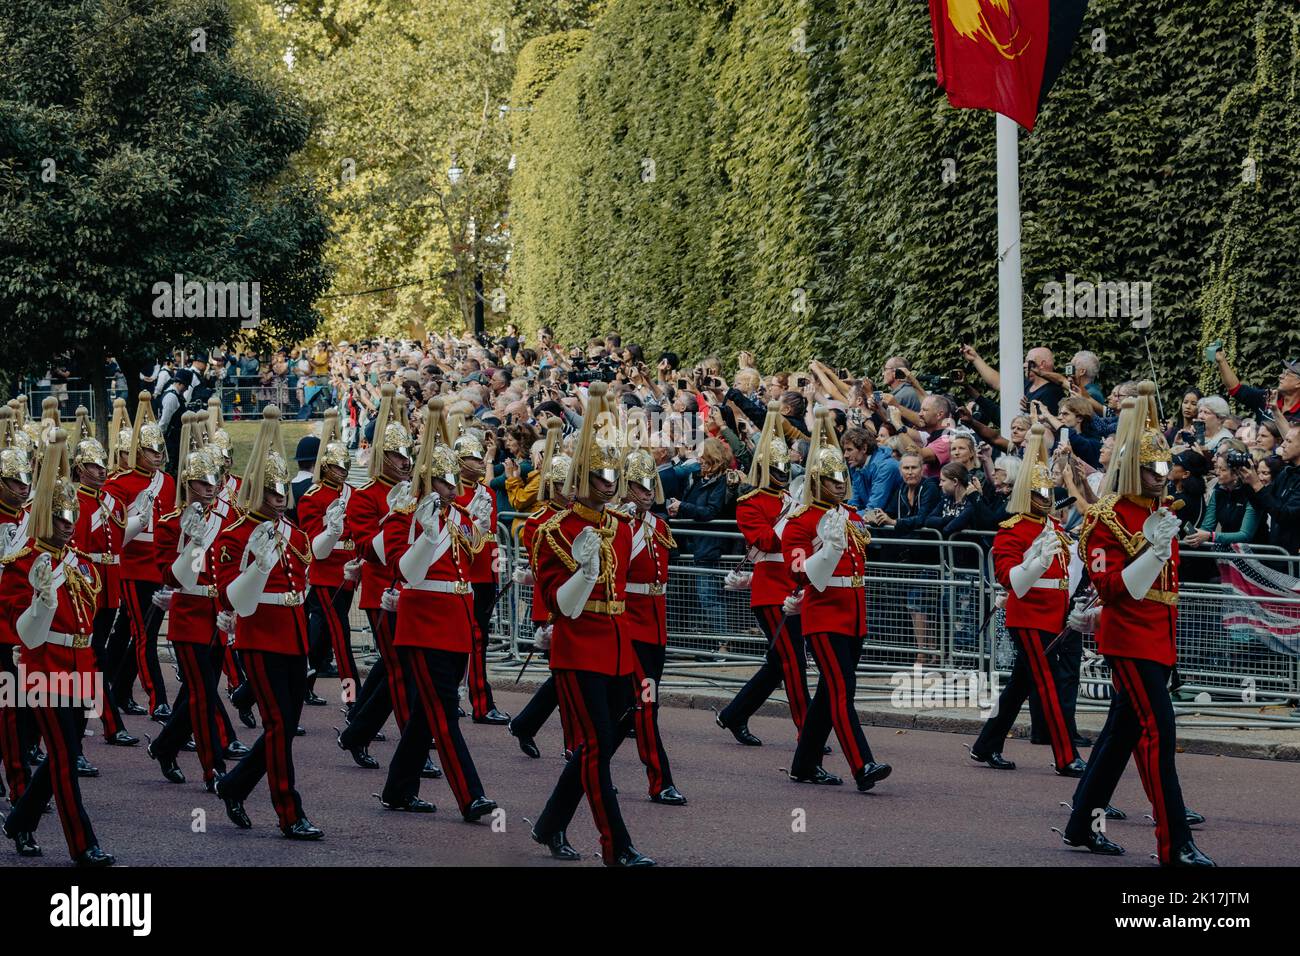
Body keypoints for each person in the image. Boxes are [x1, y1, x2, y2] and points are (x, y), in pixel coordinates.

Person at [1060, 383, 1213, 867]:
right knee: (1157, 735)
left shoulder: (1157, 512)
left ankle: (1083, 824)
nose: (1160, 477)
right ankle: (1174, 843)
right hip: (1130, 640)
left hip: (1157, 637)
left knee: (1121, 735)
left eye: (1164, 468)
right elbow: (1112, 588)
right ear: (1133, 468)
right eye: (1152, 469)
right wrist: (1153, 548)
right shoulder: (1107, 517)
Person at [530, 382, 654, 866]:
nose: (609, 483)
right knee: (595, 746)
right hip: (580, 648)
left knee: (597, 749)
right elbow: (561, 606)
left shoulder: (620, 527)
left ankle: (550, 824)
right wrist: (583, 571)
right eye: (600, 476)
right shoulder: (554, 530)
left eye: (612, 475)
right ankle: (615, 847)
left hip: (619, 647)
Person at [377, 400, 499, 821]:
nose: (452, 488)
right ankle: (471, 795)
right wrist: (427, 537)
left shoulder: (457, 512)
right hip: (423, 622)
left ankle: (397, 788)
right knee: (444, 714)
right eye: (445, 481)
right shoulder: (405, 514)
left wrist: (478, 525)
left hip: (455, 621)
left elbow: (475, 556)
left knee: (427, 716)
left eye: (453, 481)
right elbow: (402, 569)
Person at [0, 429, 115, 865]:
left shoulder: (81, 562)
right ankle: (82, 843)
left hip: (79, 663)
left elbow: (88, 619)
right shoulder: (23, 563)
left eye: (71, 520)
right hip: (43, 666)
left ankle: (20, 820)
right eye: (61, 520)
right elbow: (23, 630)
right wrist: (39, 599)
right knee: (64, 758)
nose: (68, 527)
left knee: (63, 755)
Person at [212, 406, 323, 840]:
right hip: (259, 637)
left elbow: (305, 579)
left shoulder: (293, 533)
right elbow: (231, 595)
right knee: (279, 726)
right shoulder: (234, 535)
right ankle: (289, 812)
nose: (280, 500)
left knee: (283, 729)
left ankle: (233, 785)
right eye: (272, 494)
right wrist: (257, 564)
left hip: (293, 636)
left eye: (283, 494)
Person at [782, 409, 891, 792]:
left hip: (853, 612)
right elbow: (797, 572)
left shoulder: (850, 514)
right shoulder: (801, 521)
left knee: (831, 692)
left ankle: (804, 764)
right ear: (816, 480)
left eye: (842, 476)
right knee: (842, 690)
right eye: (831, 478)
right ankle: (863, 764)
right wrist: (825, 548)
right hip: (824, 614)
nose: (839, 483)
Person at [970, 424, 1084, 776]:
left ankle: (986, 744)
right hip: (1030, 617)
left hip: (1054, 616)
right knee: (1047, 685)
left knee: (1021, 685)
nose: (1046, 498)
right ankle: (1065, 755)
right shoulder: (1012, 529)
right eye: (1039, 492)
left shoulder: (1055, 528)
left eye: (1048, 491)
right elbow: (1008, 577)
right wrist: (1034, 560)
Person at [147, 413, 241, 791]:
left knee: (199, 691)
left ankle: (165, 746)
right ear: (188, 482)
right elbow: (169, 575)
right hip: (188, 615)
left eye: (214, 480)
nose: (210, 487)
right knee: (202, 694)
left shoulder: (228, 517)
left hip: (217, 613)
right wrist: (187, 541)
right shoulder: (171, 522)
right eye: (202, 481)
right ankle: (213, 767)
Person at [716, 402, 811, 747]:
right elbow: (768, 540)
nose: (783, 471)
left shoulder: (790, 496)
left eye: (786, 465)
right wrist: (795, 516)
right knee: (793, 663)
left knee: (777, 663)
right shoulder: (750, 503)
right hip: (771, 590)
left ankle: (734, 714)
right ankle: (808, 729)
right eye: (777, 466)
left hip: (794, 586)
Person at [614, 446, 686, 805]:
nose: (647, 492)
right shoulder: (618, 524)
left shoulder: (657, 524)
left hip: (655, 625)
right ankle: (660, 780)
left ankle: (587, 765)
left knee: (626, 709)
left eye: (649, 486)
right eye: (639, 486)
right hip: (630, 625)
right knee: (646, 705)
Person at [66, 411, 138, 750]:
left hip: (109, 583)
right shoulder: (74, 501)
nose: (101, 471)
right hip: (87, 584)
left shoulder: (110, 500)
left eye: (101, 466)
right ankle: (107, 724)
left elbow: (118, 541)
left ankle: (100, 721)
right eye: (94, 466)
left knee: (98, 657)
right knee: (92, 659)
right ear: (81, 468)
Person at [102, 392, 175, 721]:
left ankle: (117, 688)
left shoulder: (169, 482)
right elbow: (116, 529)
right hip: (133, 567)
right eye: (150, 449)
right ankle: (156, 697)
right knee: (141, 632)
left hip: (160, 566)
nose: (157, 455)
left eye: (160, 449)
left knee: (138, 632)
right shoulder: (120, 483)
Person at [507, 420, 573, 759]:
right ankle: (573, 748)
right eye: (564, 485)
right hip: (548, 609)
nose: (571, 491)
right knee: (568, 683)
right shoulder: (538, 522)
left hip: (571, 606)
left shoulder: (576, 516)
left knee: (566, 682)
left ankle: (527, 725)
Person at [297, 411, 362, 710]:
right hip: (325, 576)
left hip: (348, 576)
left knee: (321, 641)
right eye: (337, 465)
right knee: (341, 641)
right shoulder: (313, 496)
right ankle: (353, 701)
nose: (343, 469)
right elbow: (314, 544)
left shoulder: (353, 493)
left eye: (345, 464)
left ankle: (299, 686)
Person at [450, 417, 511, 725]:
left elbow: (492, 538)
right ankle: (480, 702)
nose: (479, 462)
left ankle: (460, 698)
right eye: (473, 458)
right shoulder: (454, 493)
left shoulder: (485, 491)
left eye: (479, 457)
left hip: (484, 574)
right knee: (470, 640)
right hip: (464, 574)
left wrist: (497, 572)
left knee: (478, 639)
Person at [0, 410, 38, 802]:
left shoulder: (31, 518)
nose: (22, 488)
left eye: (25, 480)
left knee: (21, 707)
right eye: (14, 481)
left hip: (19, 623)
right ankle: (20, 788)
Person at [1239, 424, 1300, 554]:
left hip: (1293, 558)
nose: (1282, 445)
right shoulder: (1286, 473)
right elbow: (1262, 504)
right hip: (1276, 552)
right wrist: (1247, 483)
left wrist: (1257, 485)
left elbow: (1286, 516)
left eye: (1288, 441)